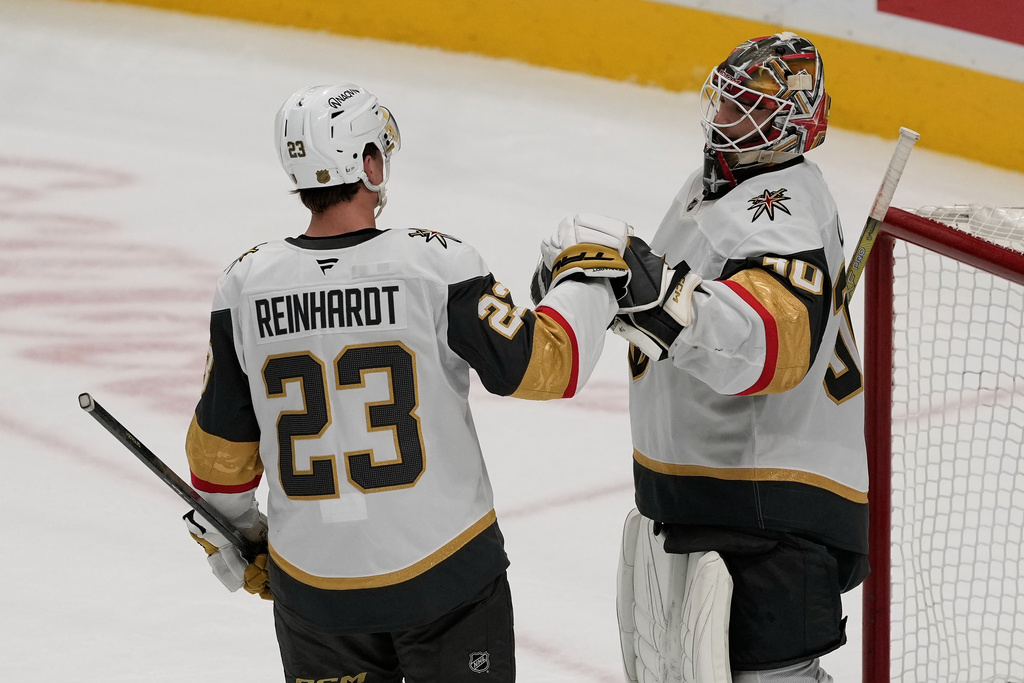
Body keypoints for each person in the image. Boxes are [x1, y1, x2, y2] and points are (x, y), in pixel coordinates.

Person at [181, 83, 633, 683]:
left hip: (317, 594)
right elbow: (549, 365)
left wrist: (239, 539)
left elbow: (219, 460)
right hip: (444, 579)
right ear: (367, 164)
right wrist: (590, 276)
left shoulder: (244, 285)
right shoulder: (436, 267)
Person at [610, 32, 869, 683]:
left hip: (771, 513)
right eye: (724, 101)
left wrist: (656, 299)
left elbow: (770, 343)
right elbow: (680, 304)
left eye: (746, 108)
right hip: (729, 501)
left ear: (790, 127)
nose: (724, 119)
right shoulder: (722, 181)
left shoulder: (780, 209)